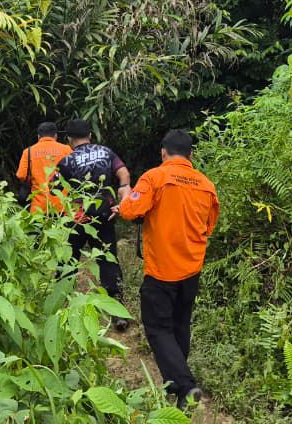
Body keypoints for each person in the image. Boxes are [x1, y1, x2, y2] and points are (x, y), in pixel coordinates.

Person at [117, 130, 219, 406]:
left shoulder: (155, 177)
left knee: (158, 328)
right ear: (191, 155)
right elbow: (208, 227)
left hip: (162, 270)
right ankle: (178, 390)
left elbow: (129, 211)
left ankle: (186, 386)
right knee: (179, 325)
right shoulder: (207, 185)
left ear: (163, 153)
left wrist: (127, 197)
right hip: (191, 269)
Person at [54, 118, 131, 327]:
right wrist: (123, 191)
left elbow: (54, 187)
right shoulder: (106, 152)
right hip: (105, 211)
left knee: (68, 258)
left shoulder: (68, 160)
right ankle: (117, 313)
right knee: (108, 257)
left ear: (69, 139)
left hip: (78, 215)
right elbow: (123, 173)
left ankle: (60, 307)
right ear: (90, 134)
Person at [16, 122, 72, 214]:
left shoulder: (28, 152)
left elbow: (21, 175)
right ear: (55, 136)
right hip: (62, 207)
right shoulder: (66, 150)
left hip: (39, 207)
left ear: (38, 136)